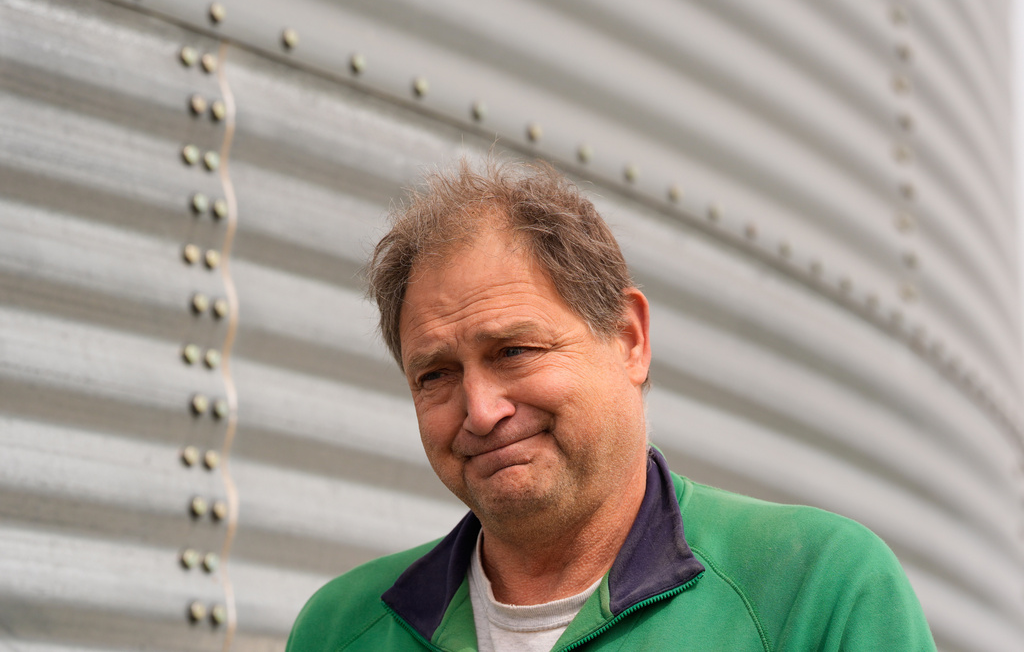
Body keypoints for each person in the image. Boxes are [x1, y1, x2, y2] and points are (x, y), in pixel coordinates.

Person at [286, 159, 936, 651]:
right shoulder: (341, 629)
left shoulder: (816, 589)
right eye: (436, 375)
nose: (480, 411)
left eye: (514, 351)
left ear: (629, 339)